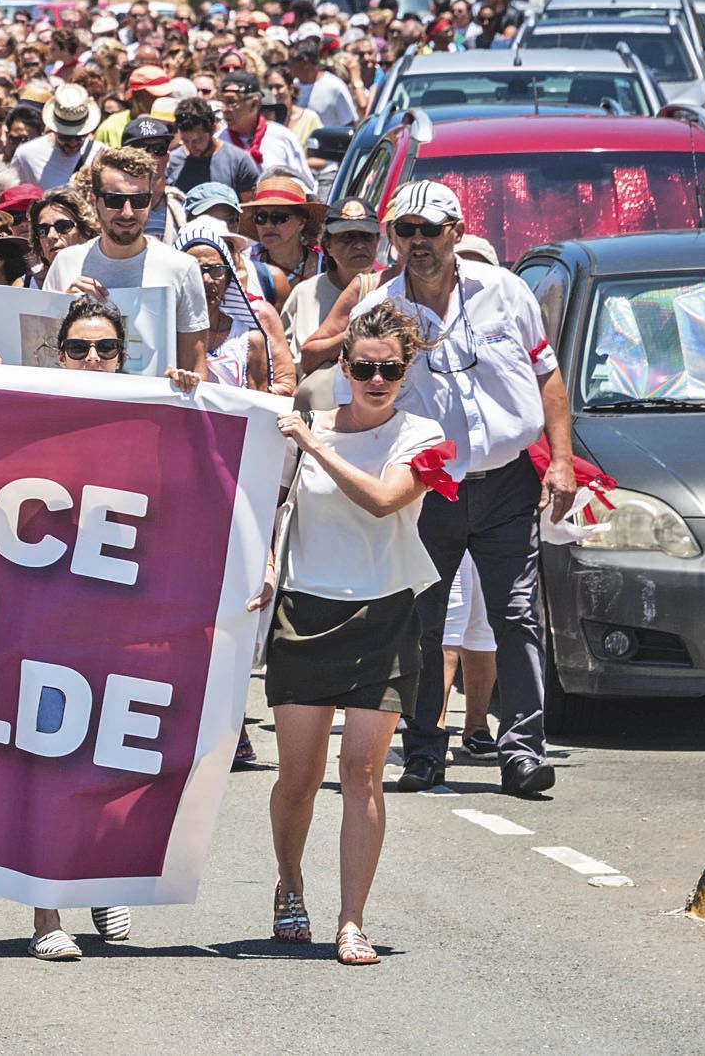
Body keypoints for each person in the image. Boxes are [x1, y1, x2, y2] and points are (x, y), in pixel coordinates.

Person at [303, 182, 575, 797]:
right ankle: (424, 750)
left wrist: (560, 460)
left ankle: (521, 751)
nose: (418, 242)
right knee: (424, 621)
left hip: (507, 481)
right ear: (393, 237)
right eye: (406, 231)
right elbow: (358, 398)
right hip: (427, 484)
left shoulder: (504, 289)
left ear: (457, 230)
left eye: (430, 230)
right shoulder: (384, 307)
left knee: (517, 616)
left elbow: (547, 376)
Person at [267, 304, 458, 966]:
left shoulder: (423, 434)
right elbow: (261, 501)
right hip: (304, 611)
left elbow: (382, 499)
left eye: (390, 369)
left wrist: (314, 445)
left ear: (405, 371)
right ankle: (289, 885)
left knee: (361, 772)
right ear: (342, 367)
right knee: (297, 777)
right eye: (364, 368)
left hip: (385, 614)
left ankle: (351, 920)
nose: (376, 380)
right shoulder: (299, 425)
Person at [23, 295, 138, 959]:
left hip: (121, 613)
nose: (91, 360)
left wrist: (189, 396)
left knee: (109, 752)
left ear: (123, 359)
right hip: (41, 610)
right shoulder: (31, 413)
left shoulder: (153, 415)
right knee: (45, 757)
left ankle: (102, 872)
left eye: (105, 349)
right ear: (55, 354)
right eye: (77, 348)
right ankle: (46, 916)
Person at [44, 149, 208, 375]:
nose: (128, 213)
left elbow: (195, 367)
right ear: (94, 201)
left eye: (139, 200)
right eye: (115, 200)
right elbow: (44, 357)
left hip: (152, 407)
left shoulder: (182, 268)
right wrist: (63, 306)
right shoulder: (66, 263)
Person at [281, 198, 380, 413]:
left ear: (378, 241)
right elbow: (285, 366)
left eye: (366, 236)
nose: (359, 244)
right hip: (314, 417)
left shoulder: (393, 292)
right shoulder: (304, 293)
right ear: (327, 245)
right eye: (347, 237)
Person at [179, 228, 295, 395]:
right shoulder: (164, 338)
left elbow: (258, 407)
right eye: (195, 271)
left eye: (216, 270)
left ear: (228, 278)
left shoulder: (250, 342)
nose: (206, 280)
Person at [11, 84, 104, 189]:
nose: (73, 143)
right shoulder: (26, 156)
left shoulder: (102, 155)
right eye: (65, 137)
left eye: (80, 136)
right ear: (53, 129)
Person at [166, 96, 260, 199]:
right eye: (185, 141)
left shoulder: (239, 161)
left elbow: (248, 209)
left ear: (213, 129)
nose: (191, 146)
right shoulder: (172, 162)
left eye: (198, 140)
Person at [218, 72, 309, 177]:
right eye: (222, 102)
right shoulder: (219, 142)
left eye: (231, 102)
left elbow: (304, 185)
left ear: (254, 103)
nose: (224, 109)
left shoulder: (283, 138)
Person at [241, 171, 325, 284]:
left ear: (301, 222)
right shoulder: (245, 264)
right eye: (261, 217)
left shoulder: (327, 266)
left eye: (279, 217)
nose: (268, 225)